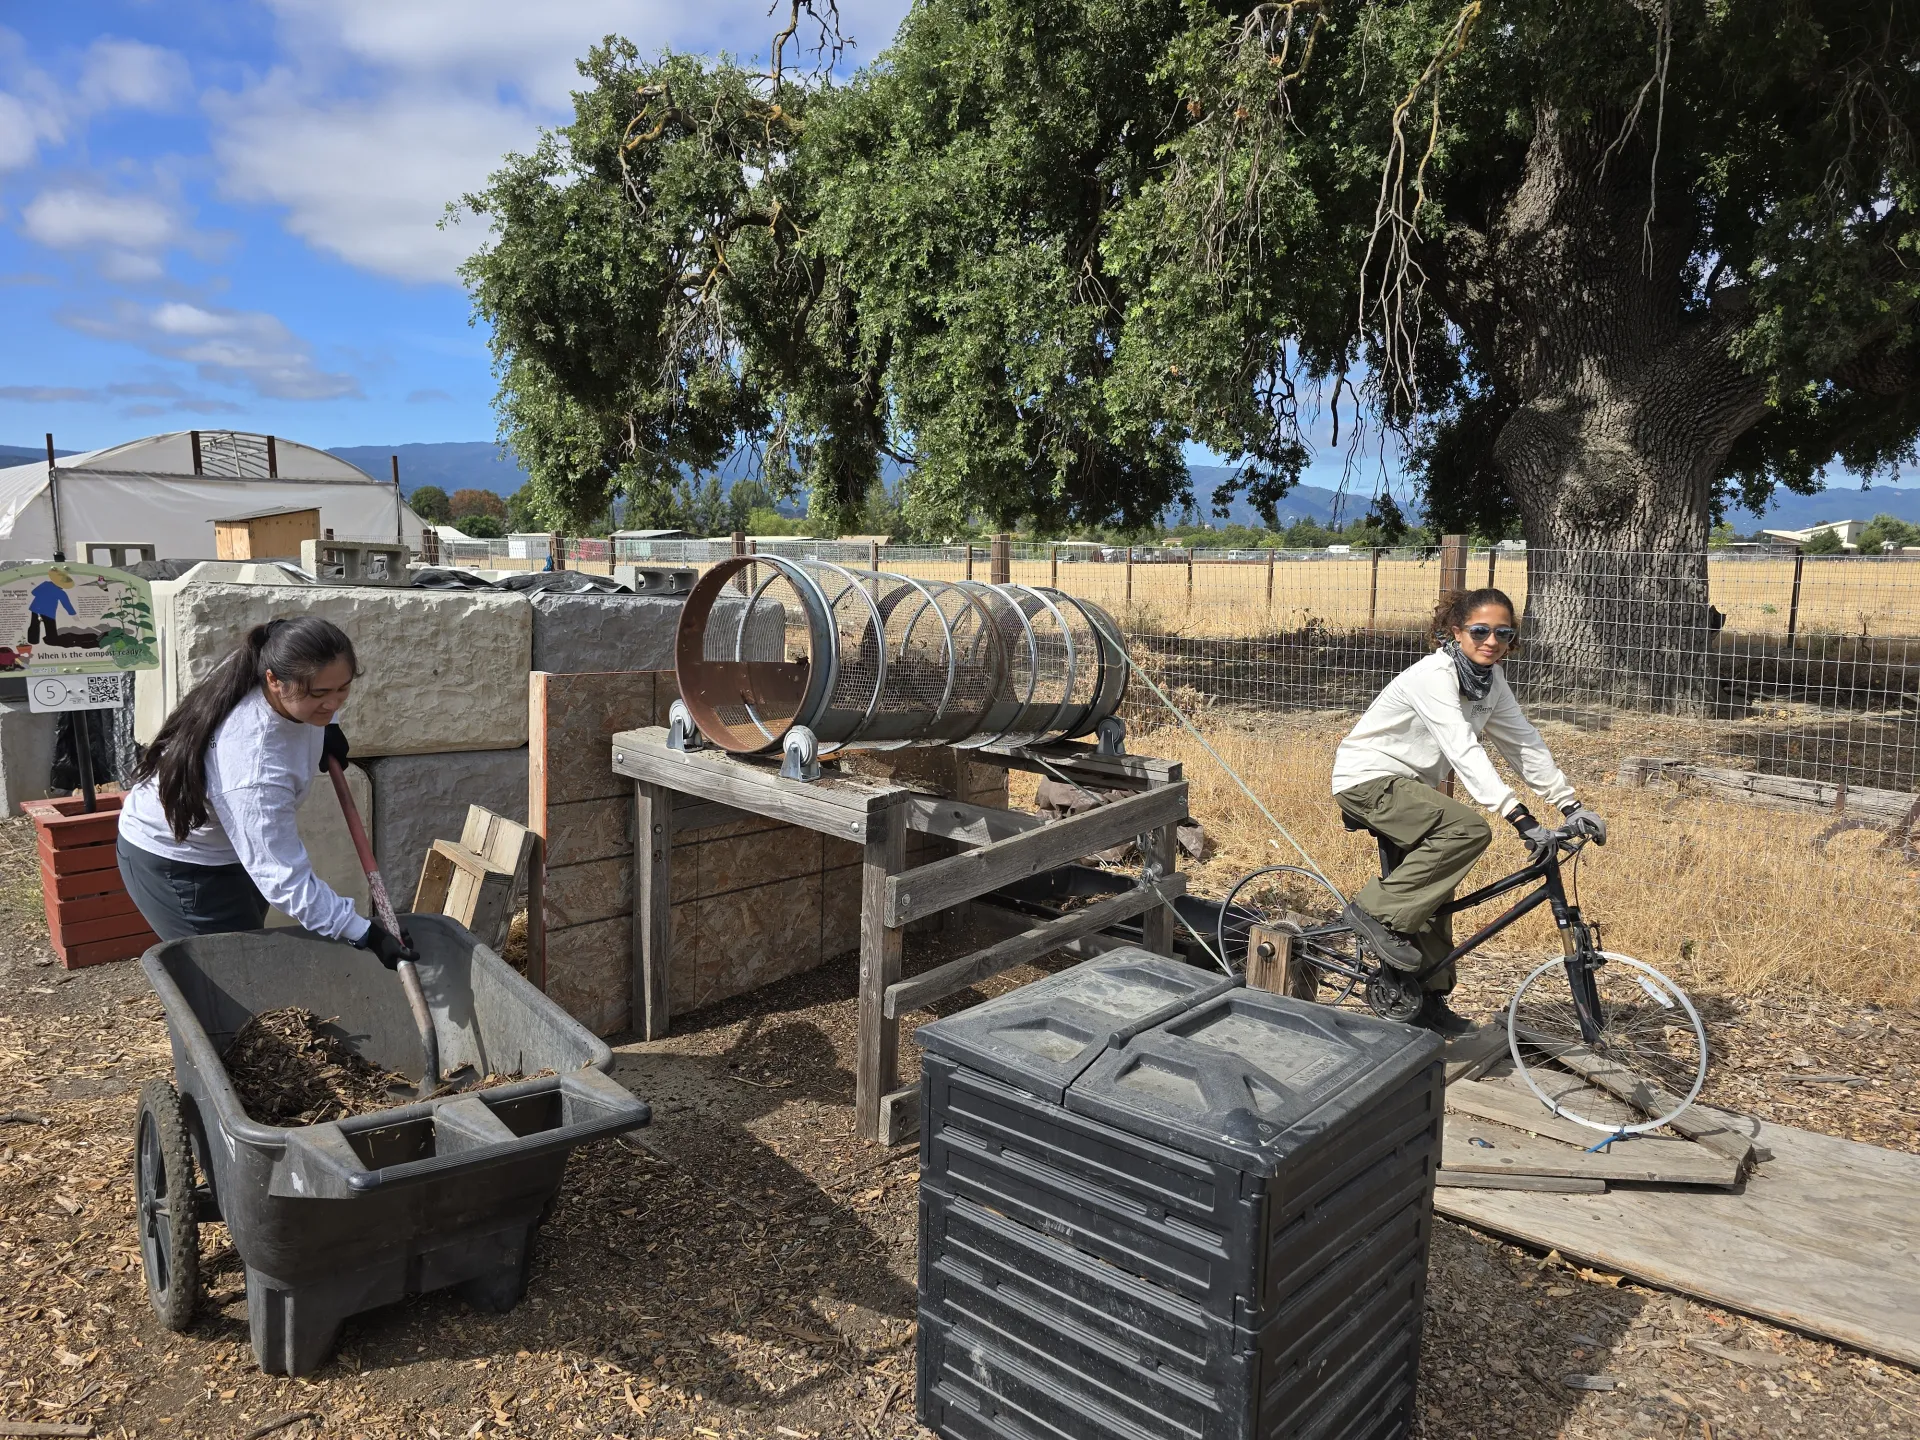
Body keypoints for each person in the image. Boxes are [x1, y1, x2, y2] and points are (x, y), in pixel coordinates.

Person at [1329, 587, 1606, 1035]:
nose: (1491, 641)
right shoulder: (1434, 676)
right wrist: (1518, 816)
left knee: (1433, 897)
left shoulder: (1489, 681)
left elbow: (1523, 743)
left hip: (1412, 787)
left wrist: (1570, 803)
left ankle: (1425, 1001)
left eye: (1503, 633)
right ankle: (1374, 913)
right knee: (1468, 830)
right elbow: (1462, 750)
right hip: (1368, 780)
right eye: (1480, 630)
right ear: (1456, 631)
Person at [116, 616, 416, 966]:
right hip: (180, 862)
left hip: (230, 846)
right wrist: (363, 932)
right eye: (319, 694)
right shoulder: (255, 768)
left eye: (343, 689)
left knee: (243, 962)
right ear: (273, 680)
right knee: (228, 979)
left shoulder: (261, 661)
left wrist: (328, 726)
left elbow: (322, 694)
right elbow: (284, 880)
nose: (334, 703)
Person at [28, 567, 76, 644]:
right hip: (48, 611)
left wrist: (42, 591)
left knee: (34, 625)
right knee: (50, 627)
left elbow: (34, 592)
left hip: (36, 608)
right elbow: (66, 604)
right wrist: (73, 614)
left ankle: (32, 641)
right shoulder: (60, 592)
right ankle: (52, 640)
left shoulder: (45, 584)